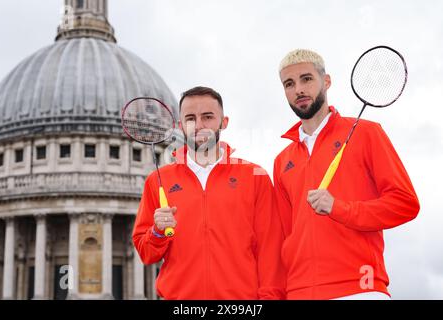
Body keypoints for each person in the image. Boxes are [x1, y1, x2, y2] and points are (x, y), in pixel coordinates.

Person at [273, 49, 420, 300]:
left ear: (326, 81)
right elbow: (283, 235)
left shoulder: (366, 133)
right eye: (289, 83)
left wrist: (340, 208)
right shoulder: (282, 161)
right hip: (299, 292)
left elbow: (405, 204)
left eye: (306, 79)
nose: (298, 89)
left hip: (358, 288)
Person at [133, 86, 285, 299]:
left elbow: (271, 250)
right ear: (179, 125)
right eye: (190, 118)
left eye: (208, 117)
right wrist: (157, 232)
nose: (199, 126)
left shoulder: (254, 175)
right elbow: (146, 253)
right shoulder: (157, 181)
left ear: (224, 122)